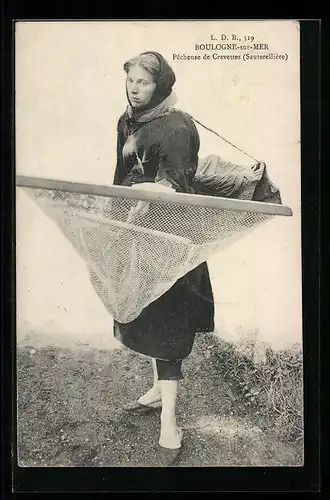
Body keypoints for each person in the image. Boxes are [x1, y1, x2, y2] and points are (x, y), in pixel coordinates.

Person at [112, 51, 215, 466]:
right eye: (131, 81)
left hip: (172, 240)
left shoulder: (178, 126)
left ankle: (169, 420)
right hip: (138, 236)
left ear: (162, 85)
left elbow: (175, 186)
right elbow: (120, 177)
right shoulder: (127, 121)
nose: (135, 88)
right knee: (145, 319)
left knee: (168, 330)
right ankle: (159, 391)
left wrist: (145, 198)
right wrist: (117, 217)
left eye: (144, 82)